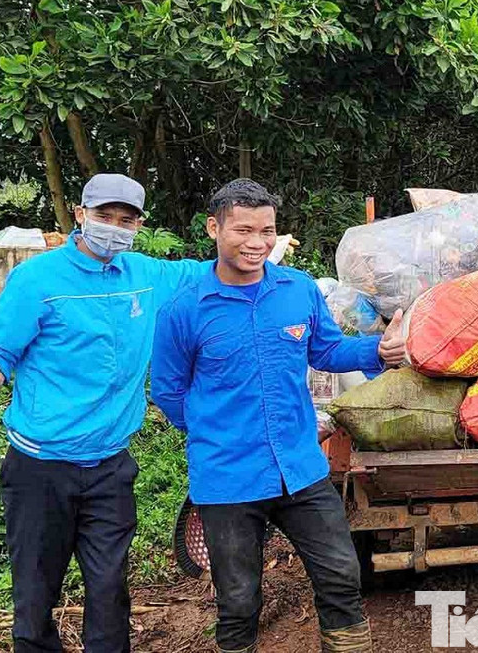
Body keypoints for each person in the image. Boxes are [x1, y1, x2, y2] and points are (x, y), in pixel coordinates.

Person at [0, 173, 293, 652]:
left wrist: (260, 246)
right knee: (36, 593)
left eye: (127, 220)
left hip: (110, 468)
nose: (115, 228)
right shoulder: (37, 280)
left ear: (138, 225)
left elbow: (206, 271)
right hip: (41, 468)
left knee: (108, 590)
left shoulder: (144, 276)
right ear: (80, 215)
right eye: (104, 217)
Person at [151, 179, 405, 653]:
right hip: (227, 476)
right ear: (214, 228)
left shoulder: (297, 289)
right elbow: (168, 391)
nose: (257, 242)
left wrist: (378, 349)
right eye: (243, 230)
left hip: (300, 467)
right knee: (239, 599)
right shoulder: (184, 310)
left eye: (267, 231)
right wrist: (213, 430)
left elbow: (326, 350)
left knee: (341, 576)